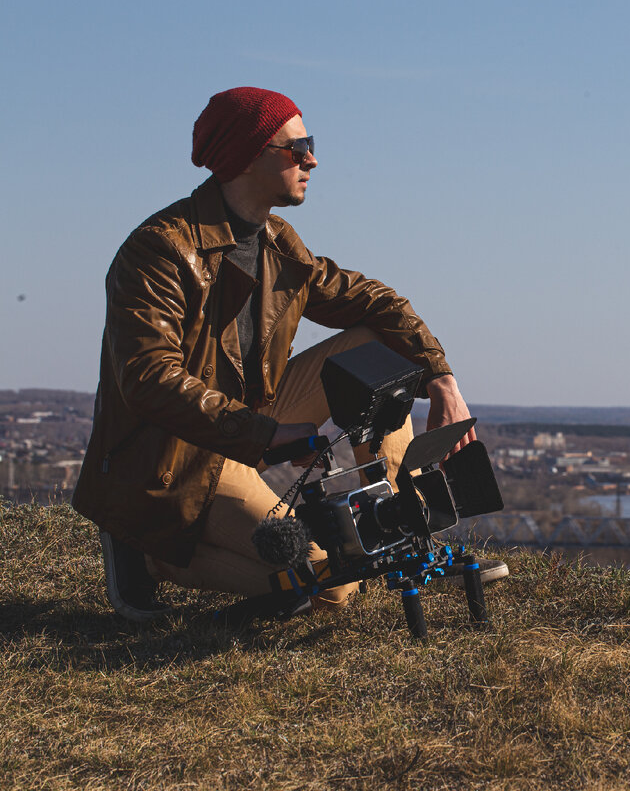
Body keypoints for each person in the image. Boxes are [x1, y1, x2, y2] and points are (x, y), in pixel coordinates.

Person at [72, 87, 506, 621]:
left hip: (249, 424)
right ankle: (147, 548)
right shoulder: (159, 250)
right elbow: (148, 378)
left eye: (311, 145)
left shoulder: (278, 243)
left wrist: (442, 382)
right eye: (297, 147)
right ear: (249, 156)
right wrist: (264, 436)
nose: (312, 159)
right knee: (328, 587)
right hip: (175, 459)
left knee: (380, 344)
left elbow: (376, 302)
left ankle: (395, 530)